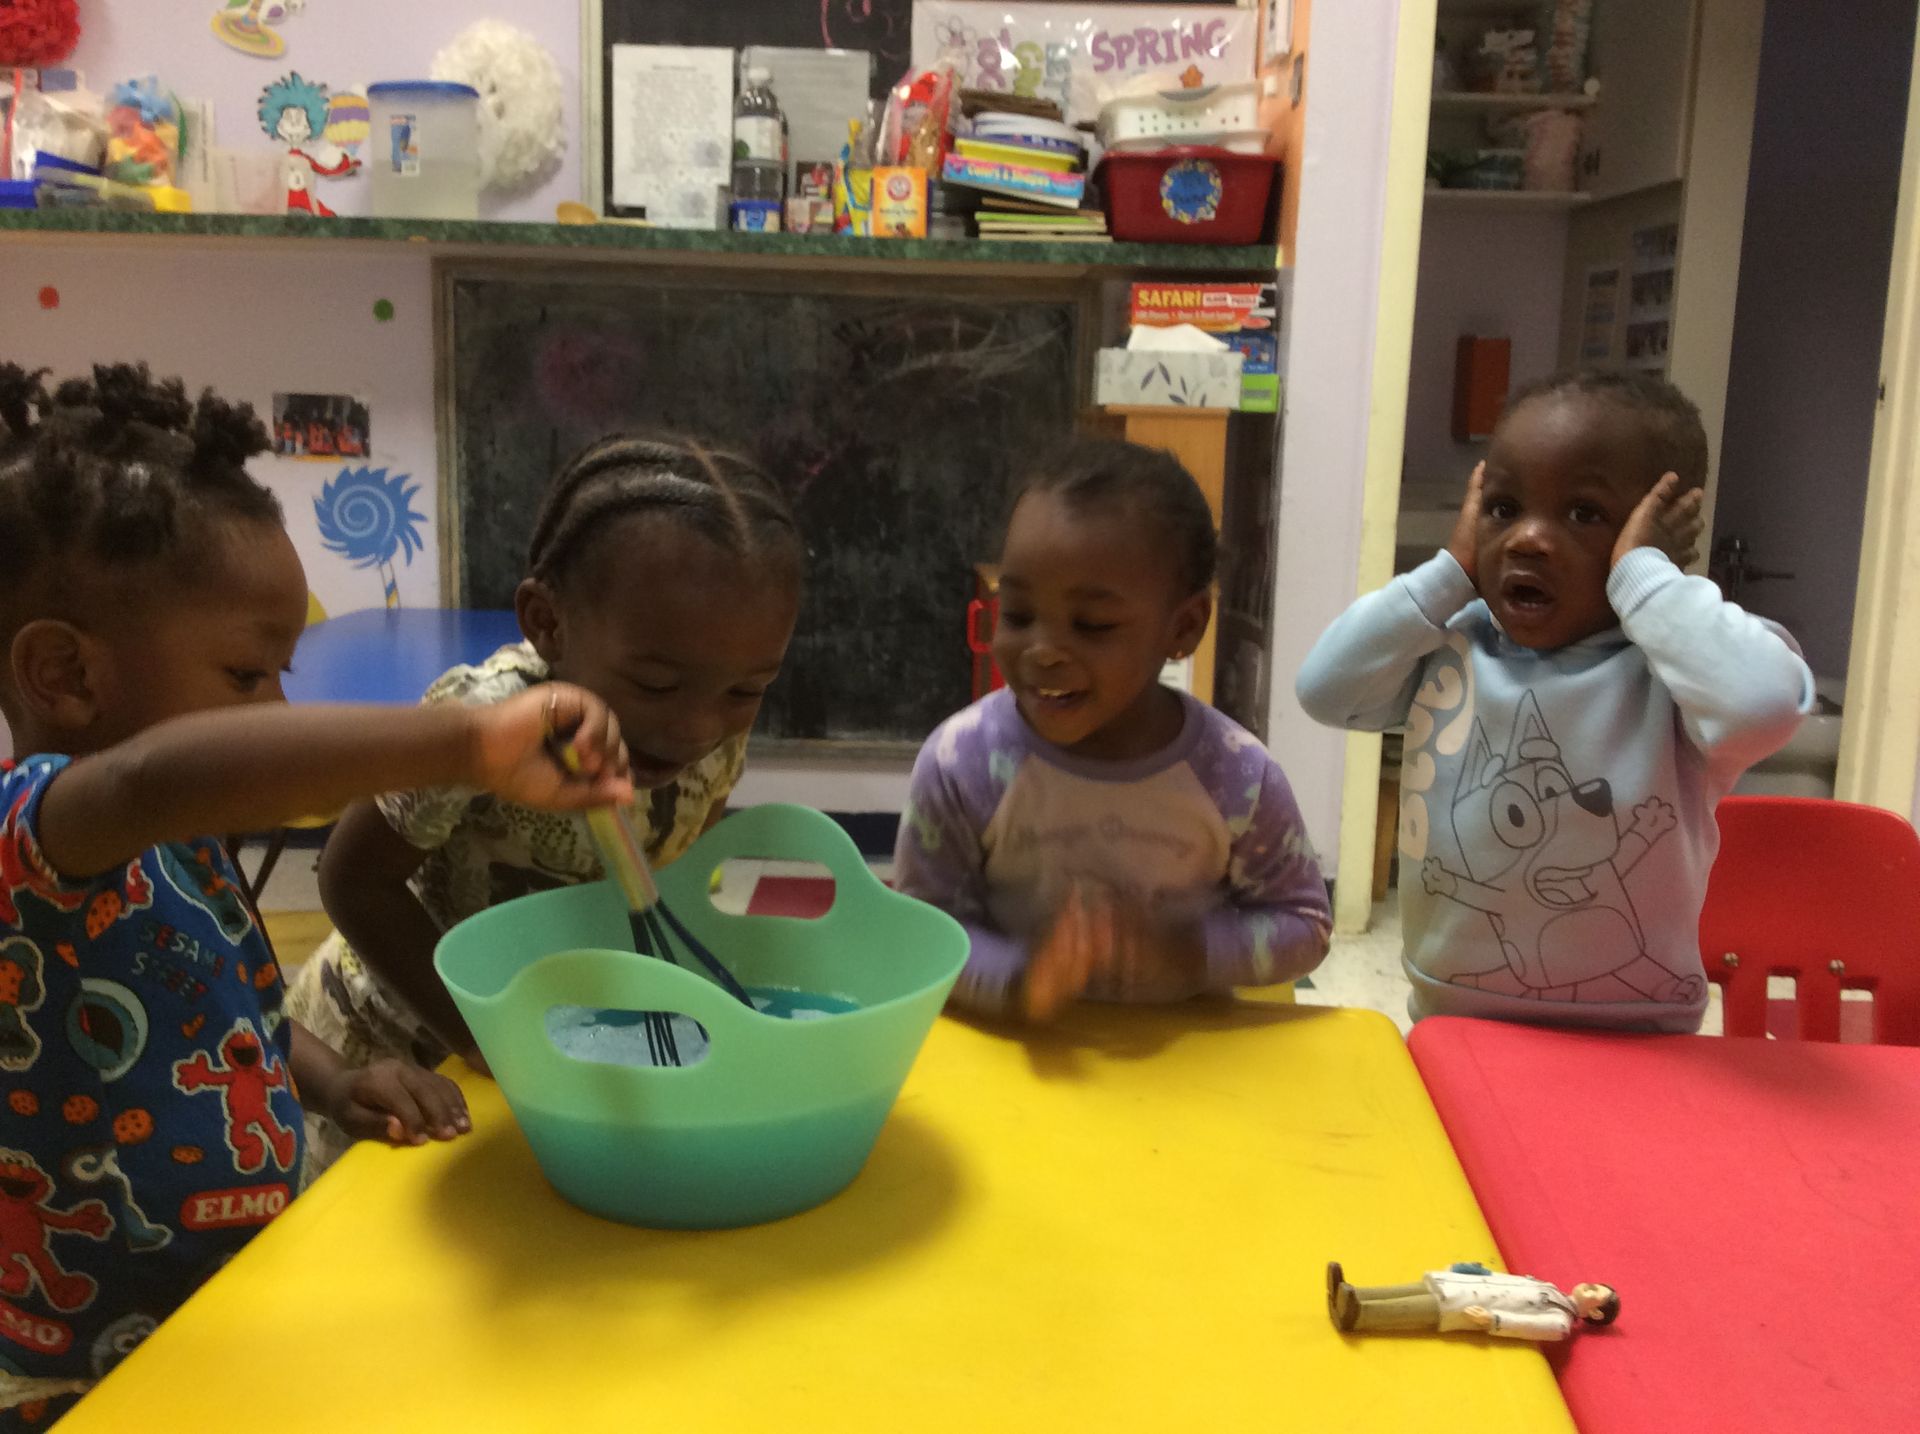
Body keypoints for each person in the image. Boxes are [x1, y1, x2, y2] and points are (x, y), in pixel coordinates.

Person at [0, 362, 631, 1425]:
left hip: (242, 1299)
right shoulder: (40, 831)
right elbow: (159, 772)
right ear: (65, 674)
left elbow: (221, 1001)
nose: (280, 706)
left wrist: (336, 1081)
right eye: (250, 676)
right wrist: (470, 741)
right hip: (92, 1369)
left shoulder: (180, 841)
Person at [289, 435, 804, 1172]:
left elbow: (670, 881)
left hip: (557, 1049)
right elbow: (350, 879)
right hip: (403, 1057)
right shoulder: (485, 724)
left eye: (746, 691)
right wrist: (485, 1038)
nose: (698, 726)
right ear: (547, 622)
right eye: (657, 684)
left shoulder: (713, 727)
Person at [1297, 369, 1811, 1032]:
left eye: (1584, 513)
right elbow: (1325, 690)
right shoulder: (1454, 646)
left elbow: (1765, 703)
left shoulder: (1676, 674)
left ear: (1658, 534)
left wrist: (1647, 579)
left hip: (1638, 1034)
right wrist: (1452, 571)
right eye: (1504, 508)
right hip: (1456, 1023)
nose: (1528, 538)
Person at [894, 438, 1330, 1022]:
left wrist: (1192, 954)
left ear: (1184, 626)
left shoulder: (1237, 776)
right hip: (1012, 1061)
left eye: (1092, 625)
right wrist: (1020, 980)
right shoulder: (961, 762)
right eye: (1018, 615)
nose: (1043, 651)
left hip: (1188, 1069)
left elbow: (1304, 926)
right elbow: (920, 933)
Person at [1327, 1260, 1619, 1340]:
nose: (1588, 1288)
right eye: (1594, 1286)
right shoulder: (1550, 1287)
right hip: (1464, 1286)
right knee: (1404, 1291)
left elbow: (1528, 1326)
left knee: (1414, 1309)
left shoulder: (1559, 1322)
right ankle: (1354, 1292)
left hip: (1467, 1307)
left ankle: (1357, 1314)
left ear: (1594, 1315)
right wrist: (1482, 1271)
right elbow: (1511, 1282)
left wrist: (1494, 1321)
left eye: (1595, 1293)